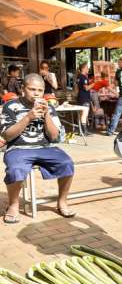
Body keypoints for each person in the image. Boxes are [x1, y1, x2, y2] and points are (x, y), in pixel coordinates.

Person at [1, 74, 76, 224]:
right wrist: (28, 117)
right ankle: (14, 205)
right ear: (23, 89)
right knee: (15, 168)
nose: (36, 93)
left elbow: (55, 137)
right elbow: (7, 135)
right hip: (18, 147)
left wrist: (47, 114)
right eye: (32, 89)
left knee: (67, 163)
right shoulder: (10, 106)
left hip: (45, 147)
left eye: (40, 90)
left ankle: (62, 201)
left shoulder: (49, 107)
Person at [73, 62, 93, 135]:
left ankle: (80, 130)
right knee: (84, 114)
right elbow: (86, 88)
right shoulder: (83, 77)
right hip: (85, 98)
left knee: (81, 114)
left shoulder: (78, 77)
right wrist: (94, 84)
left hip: (80, 97)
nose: (88, 69)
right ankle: (84, 131)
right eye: (87, 68)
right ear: (83, 68)